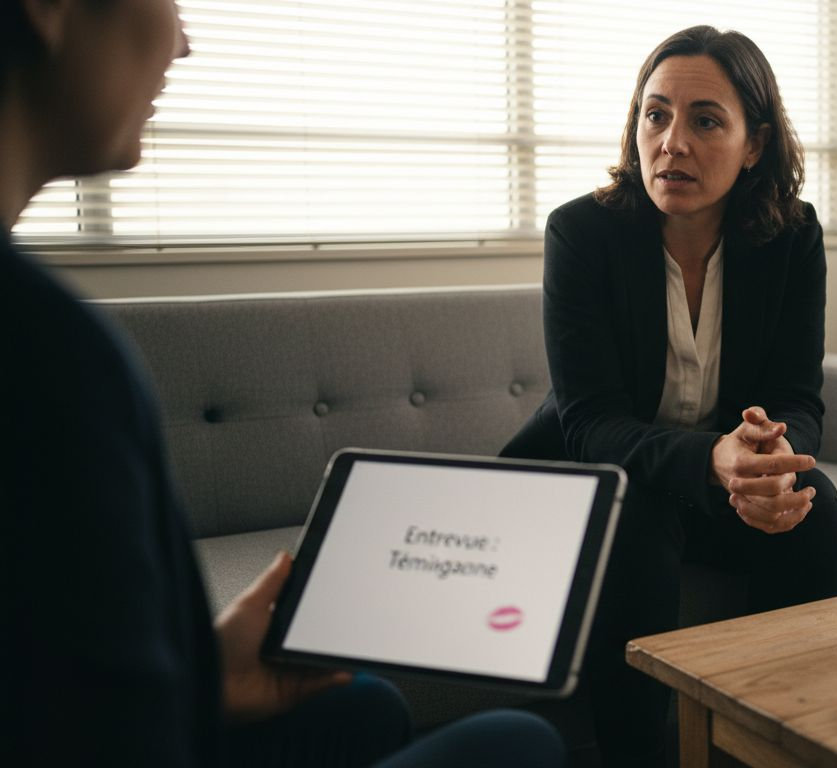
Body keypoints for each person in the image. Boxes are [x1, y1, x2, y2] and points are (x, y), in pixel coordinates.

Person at [0, 1, 563, 765]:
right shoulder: (49, 351)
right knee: (517, 742)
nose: (184, 41)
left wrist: (202, 672)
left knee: (363, 705)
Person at [501, 24, 837, 765]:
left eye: (705, 120)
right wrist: (713, 461)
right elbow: (588, 423)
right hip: (593, 479)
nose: (673, 142)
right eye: (655, 115)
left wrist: (774, 453)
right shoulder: (581, 233)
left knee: (814, 514)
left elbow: (797, 390)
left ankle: (781, 740)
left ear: (754, 144)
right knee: (636, 516)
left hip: (708, 480)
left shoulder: (791, 237)